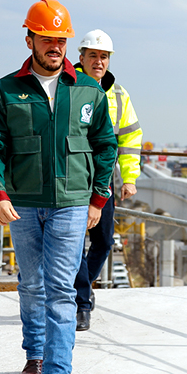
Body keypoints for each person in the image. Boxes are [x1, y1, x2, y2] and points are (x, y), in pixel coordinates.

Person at [0, 0, 117, 374]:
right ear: (30, 39)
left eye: (61, 38)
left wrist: (97, 198)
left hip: (72, 204)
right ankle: (34, 354)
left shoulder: (88, 90)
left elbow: (105, 145)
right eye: (46, 38)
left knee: (59, 288)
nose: (54, 45)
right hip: (21, 204)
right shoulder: (6, 90)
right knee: (31, 284)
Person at [72, 29, 142, 332]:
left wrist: (129, 177)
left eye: (103, 57)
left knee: (103, 240)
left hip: (103, 180)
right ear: (81, 58)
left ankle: (82, 286)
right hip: (72, 177)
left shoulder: (118, 94)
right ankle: (81, 303)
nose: (98, 62)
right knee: (72, 242)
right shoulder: (66, 86)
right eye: (93, 56)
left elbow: (129, 139)